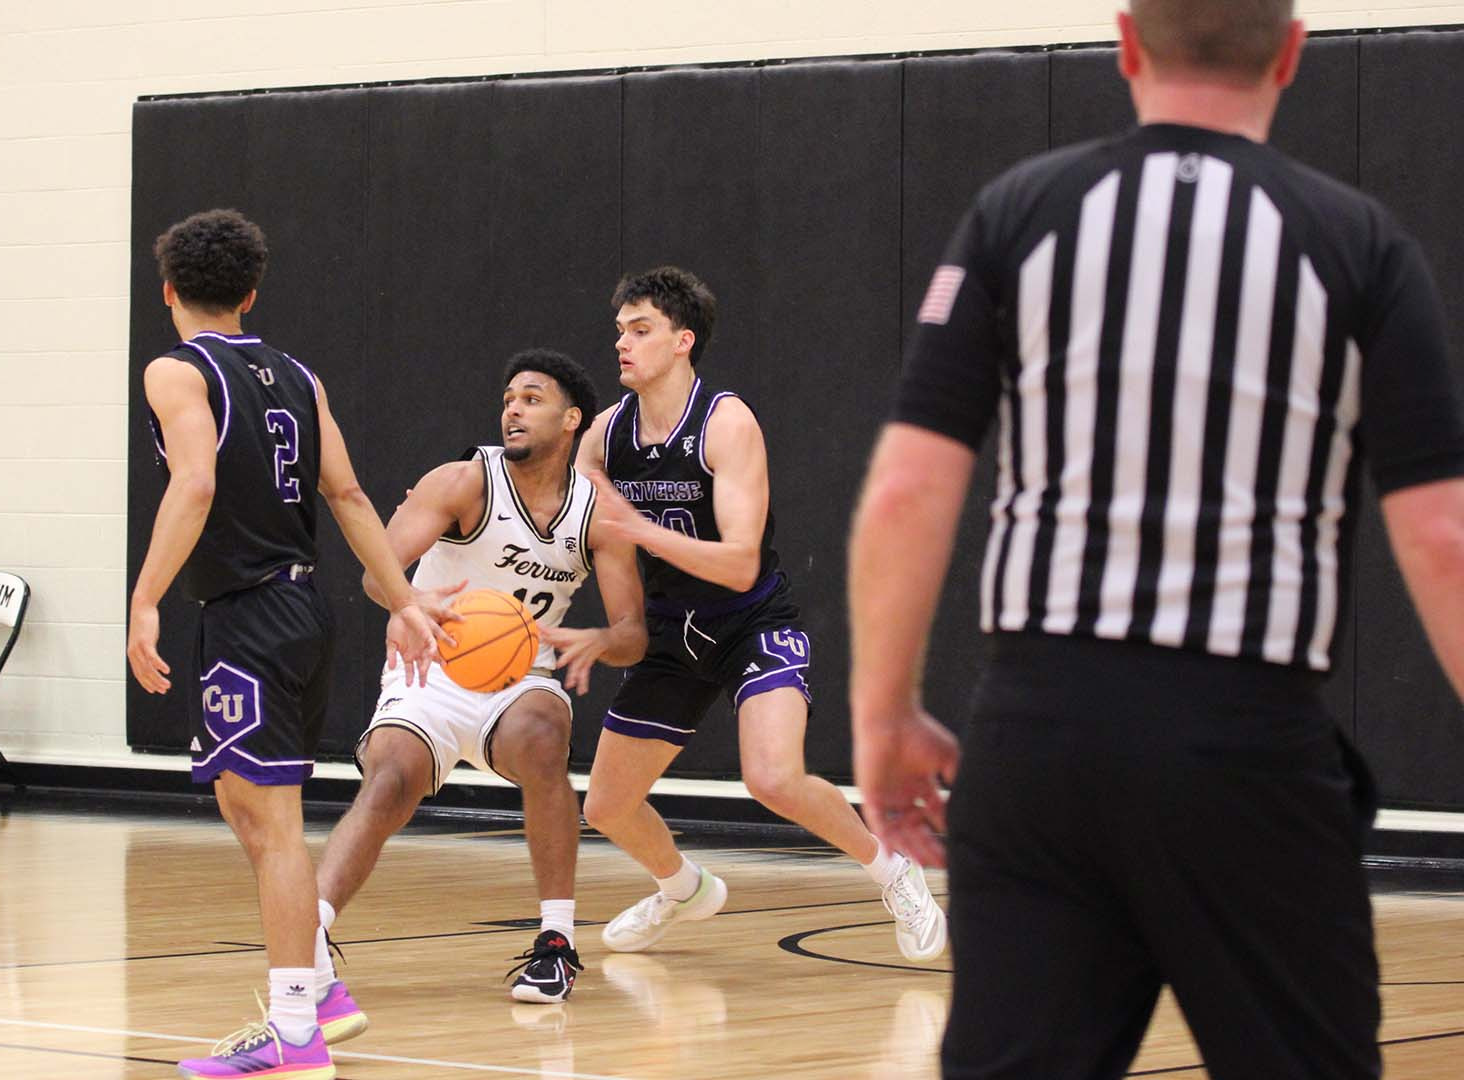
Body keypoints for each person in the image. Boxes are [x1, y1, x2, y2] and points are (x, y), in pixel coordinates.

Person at [849, 3, 1464, 1076]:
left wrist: (885, 716)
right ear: (1292, 51)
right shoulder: (1357, 240)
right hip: (1248, 746)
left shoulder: (1019, 213)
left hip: (1040, 741)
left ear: (1128, 44)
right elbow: (1447, 541)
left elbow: (905, 491)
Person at [126, 208, 448, 1080]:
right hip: (302, 613)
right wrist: (401, 593)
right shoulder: (299, 374)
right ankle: (319, 993)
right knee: (248, 808)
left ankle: (297, 1036)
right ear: (251, 293)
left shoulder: (175, 369)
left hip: (248, 619)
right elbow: (346, 496)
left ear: (169, 292)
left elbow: (194, 481)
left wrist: (146, 597)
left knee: (269, 828)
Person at [576, 266, 946, 961]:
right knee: (604, 807)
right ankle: (683, 887)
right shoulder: (602, 436)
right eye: (619, 329)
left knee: (773, 778)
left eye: (640, 329)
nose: (622, 342)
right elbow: (574, 525)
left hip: (752, 624)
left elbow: (740, 561)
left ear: (683, 341)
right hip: (671, 631)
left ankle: (891, 869)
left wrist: (637, 528)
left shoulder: (726, 422)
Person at [311, 349, 647, 1010]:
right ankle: (311, 933)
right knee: (390, 779)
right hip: (430, 669)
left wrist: (602, 639)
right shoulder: (463, 480)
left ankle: (555, 943)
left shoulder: (598, 515)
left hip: (520, 677)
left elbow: (634, 631)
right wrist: (410, 603)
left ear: (572, 418)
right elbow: (376, 568)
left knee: (546, 734)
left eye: (532, 398)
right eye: (508, 399)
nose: (513, 409)